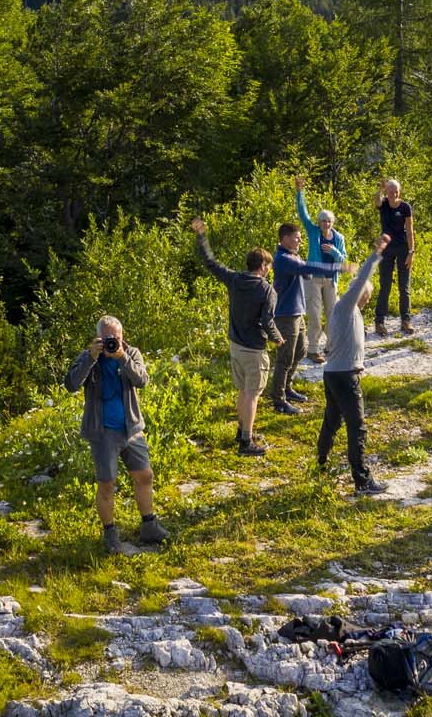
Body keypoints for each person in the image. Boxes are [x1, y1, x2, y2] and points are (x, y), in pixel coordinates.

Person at [64, 316, 169, 553]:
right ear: (100, 337)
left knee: (145, 475)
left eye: (117, 338)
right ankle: (110, 533)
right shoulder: (89, 356)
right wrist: (91, 357)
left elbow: (142, 380)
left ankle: (149, 525)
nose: (113, 342)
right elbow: (70, 384)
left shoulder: (131, 353)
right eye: (109, 338)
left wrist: (122, 357)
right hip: (103, 431)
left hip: (131, 428)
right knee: (107, 484)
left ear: (122, 336)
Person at [191, 217, 284, 455]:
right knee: (253, 395)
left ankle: (242, 430)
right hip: (254, 349)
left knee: (243, 390)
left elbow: (210, 262)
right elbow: (267, 321)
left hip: (235, 345)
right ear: (262, 265)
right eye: (269, 266)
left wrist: (202, 236)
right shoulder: (267, 290)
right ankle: (246, 442)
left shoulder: (234, 279)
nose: (269, 270)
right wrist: (278, 338)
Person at [318, 233, 394, 495]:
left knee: (332, 421)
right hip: (343, 377)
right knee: (357, 428)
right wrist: (378, 252)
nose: (368, 300)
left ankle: (320, 463)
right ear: (359, 294)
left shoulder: (348, 313)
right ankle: (362, 481)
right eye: (368, 296)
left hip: (334, 373)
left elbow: (336, 345)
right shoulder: (346, 305)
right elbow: (362, 279)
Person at [270, 222, 351, 414]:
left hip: (297, 312)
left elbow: (305, 274)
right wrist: (338, 268)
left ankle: (287, 388)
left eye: (300, 237)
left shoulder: (293, 255)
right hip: (285, 315)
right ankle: (278, 400)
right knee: (285, 358)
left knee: (300, 351)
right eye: (296, 237)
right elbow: (310, 268)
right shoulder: (282, 258)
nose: (300, 240)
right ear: (285, 238)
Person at [295, 176, 348, 364]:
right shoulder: (313, 231)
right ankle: (312, 350)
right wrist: (300, 192)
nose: (325, 224)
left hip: (330, 280)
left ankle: (331, 348)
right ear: (319, 222)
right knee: (315, 315)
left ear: (332, 223)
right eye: (323, 221)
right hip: (313, 279)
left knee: (333, 315)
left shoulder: (338, 238)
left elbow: (343, 260)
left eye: (328, 221)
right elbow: (303, 213)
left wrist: (333, 251)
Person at [374, 178, 416, 335]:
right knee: (385, 285)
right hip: (386, 249)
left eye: (396, 190)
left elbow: (410, 230)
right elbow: (377, 201)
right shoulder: (383, 204)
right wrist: (380, 188)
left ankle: (405, 321)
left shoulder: (405, 207)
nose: (393, 193)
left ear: (400, 191)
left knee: (404, 286)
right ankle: (379, 322)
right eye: (390, 191)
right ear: (387, 192)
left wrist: (412, 252)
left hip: (403, 249)